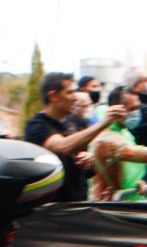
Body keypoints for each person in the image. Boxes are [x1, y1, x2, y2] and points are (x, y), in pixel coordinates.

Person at [23, 72, 125, 201]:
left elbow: (86, 167)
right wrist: (104, 122)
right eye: (69, 92)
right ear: (53, 95)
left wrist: (90, 160)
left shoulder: (72, 123)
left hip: (78, 204)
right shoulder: (37, 126)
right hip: (53, 210)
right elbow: (63, 146)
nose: (75, 97)